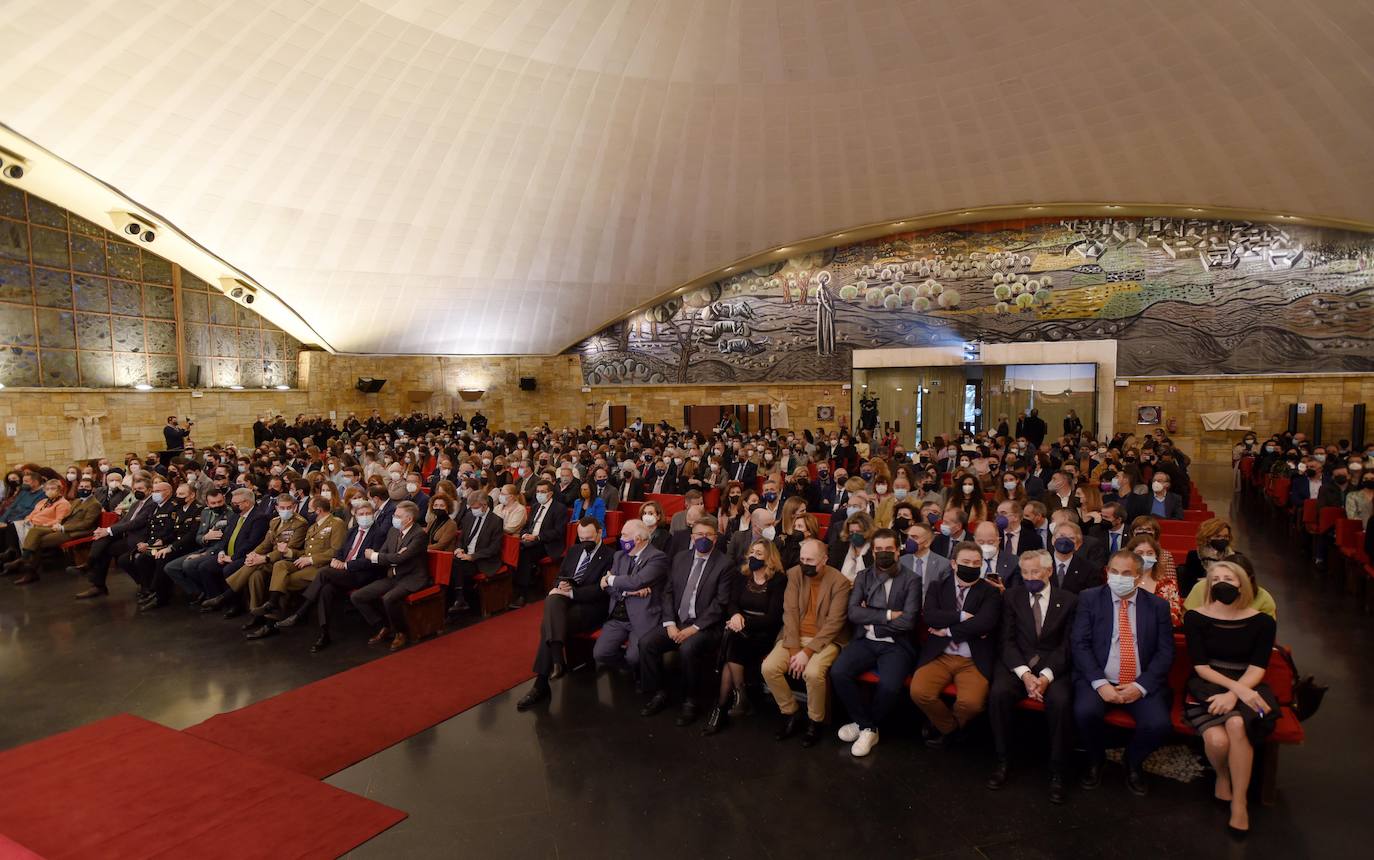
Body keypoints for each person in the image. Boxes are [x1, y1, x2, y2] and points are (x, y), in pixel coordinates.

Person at [1183, 561, 1279, 835]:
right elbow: (1201, 666)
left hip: (1248, 681)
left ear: (1241, 584)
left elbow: (1258, 667)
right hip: (1209, 681)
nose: (1222, 583)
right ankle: (1222, 775)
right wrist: (1233, 691)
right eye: (1216, 579)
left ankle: (1240, 802)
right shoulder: (1196, 617)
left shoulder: (1262, 621)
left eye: (1229, 578)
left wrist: (1238, 691)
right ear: (1209, 586)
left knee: (1237, 725)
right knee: (1216, 739)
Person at [1071, 549, 1174, 796]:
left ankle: (1133, 761)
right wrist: (1099, 683)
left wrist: (1140, 687)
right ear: (1106, 572)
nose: (1119, 577)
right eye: (1114, 572)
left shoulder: (1158, 606)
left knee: (1158, 724)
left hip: (1139, 681)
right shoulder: (1089, 598)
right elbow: (1080, 643)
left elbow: (1165, 652)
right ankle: (1096, 760)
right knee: (1084, 712)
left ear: (1139, 577)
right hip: (1099, 678)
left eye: (1126, 573)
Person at [987, 550, 1077, 802]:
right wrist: (1026, 675)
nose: (1029, 577)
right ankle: (1003, 759)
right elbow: (1006, 640)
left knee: (1061, 702)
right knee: (999, 693)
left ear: (1048, 571)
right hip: (1018, 664)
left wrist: (1046, 676)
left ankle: (1058, 770)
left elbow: (1067, 645)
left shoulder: (1069, 600)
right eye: (1025, 572)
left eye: (1035, 572)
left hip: (1053, 667)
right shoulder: (1013, 597)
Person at [830, 529, 920, 757]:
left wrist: (871, 618)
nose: (883, 553)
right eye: (878, 549)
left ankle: (866, 726)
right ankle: (867, 726)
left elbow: (909, 621)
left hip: (896, 644)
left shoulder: (912, 579)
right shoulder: (863, 576)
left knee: (889, 686)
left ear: (898, 550)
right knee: (839, 671)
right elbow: (853, 613)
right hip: (865, 640)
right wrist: (888, 616)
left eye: (888, 549)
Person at [639, 516, 733, 725]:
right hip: (676, 622)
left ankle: (691, 701)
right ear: (692, 537)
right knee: (646, 643)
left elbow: (720, 603)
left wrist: (693, 629)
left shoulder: (725, 564)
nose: (703, 538)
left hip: (705, 626)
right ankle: (659, 693)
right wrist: (670, 623)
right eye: (699, 534)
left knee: (687, 649)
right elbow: (668, 593)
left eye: (708, 535)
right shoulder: (680, 558)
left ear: (715, 538)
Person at [910, 541, 1003, 748]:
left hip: (973, 658)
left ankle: (942, 727)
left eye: (976, 563)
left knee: (971, 704)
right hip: (940, 654)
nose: (971, 566)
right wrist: (962, 616)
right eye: (965, 562)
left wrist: (949, 630)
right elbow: (931, 616)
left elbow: (985, 622)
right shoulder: (937, 586)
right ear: (953, 564)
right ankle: (952, 730)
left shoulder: (990, 591)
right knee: (919, 692)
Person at [516, 517, 616, 710]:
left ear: (600, 533)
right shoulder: (574, 550)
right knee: (553, 598)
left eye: (589, 537)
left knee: (548, 625)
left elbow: (602, 590)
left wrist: (571, 592)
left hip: (591, 607)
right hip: (566, 601)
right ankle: (556, 660)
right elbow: (561, 576)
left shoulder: (611, 555)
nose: (584, 541)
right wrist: (559, 585)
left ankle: (542, 682)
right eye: (581, 537)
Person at [760, 538, 851, 747]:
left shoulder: (840, 582)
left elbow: (834, 624)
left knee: (812, 672)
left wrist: (807, 652)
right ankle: (790, 712)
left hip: (827, 639)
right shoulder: (793, 574)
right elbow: (789, 613)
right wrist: (794, 650)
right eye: (802, 559)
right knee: (769, 667)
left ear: (824, 560)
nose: (805, 564)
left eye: (810, 560)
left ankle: (815, 720)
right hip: (794, 635)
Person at [274, 499, 387, 651]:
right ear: (355, 515)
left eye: (368, 513)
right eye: (361, 514)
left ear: (374, 515)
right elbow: (341, 551)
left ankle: (301, 613)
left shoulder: (379, 533)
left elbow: (373, 561)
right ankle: (324, 633)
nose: (364, 516)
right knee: (326, 589)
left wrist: (346, 564)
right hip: (344, 572)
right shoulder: (353, 530)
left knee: (323, 572)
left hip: (363, 575)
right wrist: (336, 560)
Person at [704, 537, 785, 735]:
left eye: (759, 554)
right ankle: (732, 701)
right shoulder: (741, 576)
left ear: (770, 558)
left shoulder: (778, 580)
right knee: (734, 640)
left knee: (732, 642)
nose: (753, 556)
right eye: (752, 552)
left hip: (764, 632)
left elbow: (773, 617)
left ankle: (726, 705)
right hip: (739, 629)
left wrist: (742, 622)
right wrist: (736, 616)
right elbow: (732, 603)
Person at [244, 496, 346, 634]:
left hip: (321, 566)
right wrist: (289, 552)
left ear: (318, 510)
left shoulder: (336, 523)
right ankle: (272, 604)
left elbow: (336, 550)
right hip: (305, 562)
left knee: (283, 581)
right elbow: (306, 551)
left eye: (309, 509)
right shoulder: (314, 526)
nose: (306, 512)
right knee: (280, 565)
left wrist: (310, 560)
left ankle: (270, 623)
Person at [209, 493, 308, 619]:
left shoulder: (300, 524)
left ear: (294, 507)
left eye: (289, 507)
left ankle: (224, 596)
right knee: (255, 576)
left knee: (252, 565)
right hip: (270, 559)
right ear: (276, 508)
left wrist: (264, 558)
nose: (285, 510)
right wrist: (254, 554)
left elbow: (288, 549)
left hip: (285, 560)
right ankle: (255, 613)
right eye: (282, 508)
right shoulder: (274, 521)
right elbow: (266, 544)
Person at [592, 518, 669, 675]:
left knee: (634, 657)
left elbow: (636, 581)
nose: (620, 539)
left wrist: (609, 579)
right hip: (618, 616)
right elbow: (611, 589)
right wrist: (626, 591)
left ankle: (638, 668)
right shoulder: (619, 556)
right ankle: (629, 668)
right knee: (600, 653)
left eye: (624, 536)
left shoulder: (657, 557)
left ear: (638, 540)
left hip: (642, 617)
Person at [350, 500, 429, 652]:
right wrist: (390, 556)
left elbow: (399, 558)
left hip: (411, 578)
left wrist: (377, 556)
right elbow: (385, 553)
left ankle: (401, 632)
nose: (394, 518)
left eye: (398, 516)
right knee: (358, 596)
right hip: (393, 576)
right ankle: (384, 626)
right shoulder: (393, 531)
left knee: (389, 599)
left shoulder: (419, 535)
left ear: (409, 519)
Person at [509, 480, 569, 608]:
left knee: (525, 553)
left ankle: (522, 594)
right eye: (537, 491)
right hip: (529, 540)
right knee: (514, 548)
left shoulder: (559, 508)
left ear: (550, 493)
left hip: (546, 543)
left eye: (543, 492)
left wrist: (537, 537)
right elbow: (527, 525)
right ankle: (513, 587)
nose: (539, 494)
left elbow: (558, 532)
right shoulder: (535, 506)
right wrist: (525, 534)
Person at [448, 486, 506, 615]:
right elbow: (461, 538)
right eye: (471, 508)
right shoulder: (469, 517)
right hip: (465, 556)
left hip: (483, 559)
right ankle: (459, 598)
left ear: (484, 506)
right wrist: (459, 549)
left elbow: (494, 548)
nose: (473, 510)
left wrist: (473, 556)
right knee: (451, 563)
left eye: (475, 508)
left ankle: (460, 599)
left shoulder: (496, 521)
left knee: (456, 566)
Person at [1125, 534, 1183, 627]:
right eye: (1140, 553)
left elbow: (1174, 618)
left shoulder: (1168, 584)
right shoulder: (1122, 582)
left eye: (1150, 553)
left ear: (1156, 556)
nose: (1145, 557)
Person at [1181, 516, 1237, 597]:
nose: (1222, 539)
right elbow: (1189, 587)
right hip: (1201, 597)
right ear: (1207, 537)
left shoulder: (1235, 557)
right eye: (1218, 536)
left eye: (1226, 536)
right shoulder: (1194, 556)